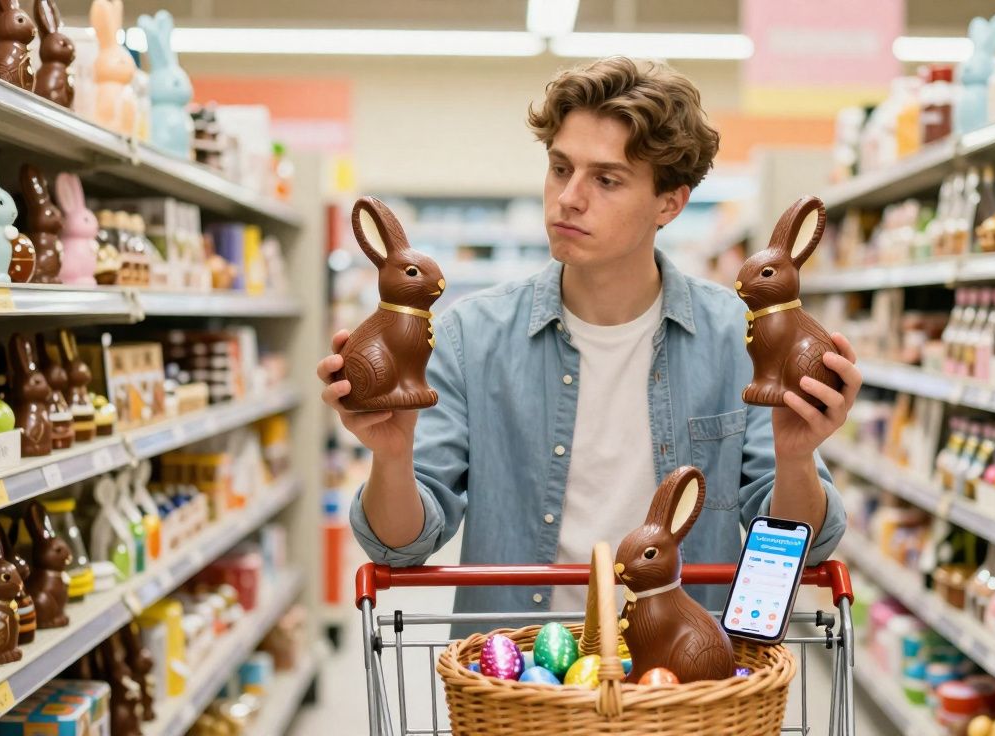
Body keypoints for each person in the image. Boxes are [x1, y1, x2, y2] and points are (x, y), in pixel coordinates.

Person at [317, 56, 861, 618]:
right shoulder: (467, 339)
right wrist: (392, 457)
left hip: (682, 665)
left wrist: (797, 459)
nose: (569, 198)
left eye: (606, 179)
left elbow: (799, 548)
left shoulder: (740, 341)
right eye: (560, 168)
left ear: (670, 202)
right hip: (518, 665)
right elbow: (400, 547)